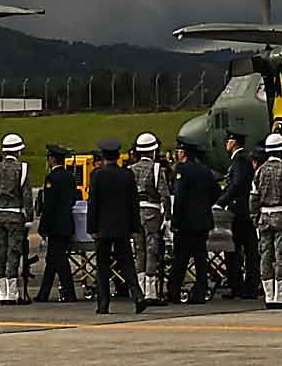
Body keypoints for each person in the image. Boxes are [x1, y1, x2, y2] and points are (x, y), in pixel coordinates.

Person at [90, 140, 145, 314]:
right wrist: (134, 226)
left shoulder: (97, 175)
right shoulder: (127, 175)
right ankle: (137, 295)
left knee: (103, 266)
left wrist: (92, 228)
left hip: (103, 227)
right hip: (122, 227)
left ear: (104, 156)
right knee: (127, 263)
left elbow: (93, 204)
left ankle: (103, 302)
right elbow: (133, 203)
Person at [252, 130, 282, 309]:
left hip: (264, 216)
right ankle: (279, 297)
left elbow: (253, 197)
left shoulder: (259, 170)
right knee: (281, 256)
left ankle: (268, 296)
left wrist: (255, 218)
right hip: (281, 216)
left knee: (265, 256)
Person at [170, 140, 220, 305]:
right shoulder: (205, 171)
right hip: (203, 221)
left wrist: (175, 220)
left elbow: (179, 197)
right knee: (200, 258)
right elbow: (216, 192)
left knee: (180, 259)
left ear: (183, 153)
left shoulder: (182, 170)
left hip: (185, 222)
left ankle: (174, 291)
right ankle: (200, 291)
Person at [0, 133, 32, 306]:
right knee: (14, 253)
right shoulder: (23, 168)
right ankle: (12, 293)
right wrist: (29, 217)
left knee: (0, 253)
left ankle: (2, 292)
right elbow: (26, 195)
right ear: (18, 151)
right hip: (15, 215)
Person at [129, 132, 170, 306]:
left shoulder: (130, 170)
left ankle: (139, 289)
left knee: (139, 251)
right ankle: (150, 292)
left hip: (135, 212)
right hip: (152, 212)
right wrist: (167, 215)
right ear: (153, 151)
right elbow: (164, 195)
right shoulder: (156, 168)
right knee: (152, 250)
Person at [37, 146, 81, 303]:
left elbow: (49, 205)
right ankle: (43, 293)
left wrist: (43, 226)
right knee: (52, 260)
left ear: (52, 159)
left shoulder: (51, 178)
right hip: (67, 223)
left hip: (55, 225)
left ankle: (69, 293)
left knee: (60, 260)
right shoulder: (70, 176)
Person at [222, 130, 258, 301]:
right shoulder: (243, 159)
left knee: (237, 250)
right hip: (244, 209)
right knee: (247, 249)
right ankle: (247, 285)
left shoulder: (240, 160)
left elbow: (236, 185)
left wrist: (221, 201)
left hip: (240, 210)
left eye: (228, 140)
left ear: (234, 142)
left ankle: (240, 286)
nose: (226, 144)